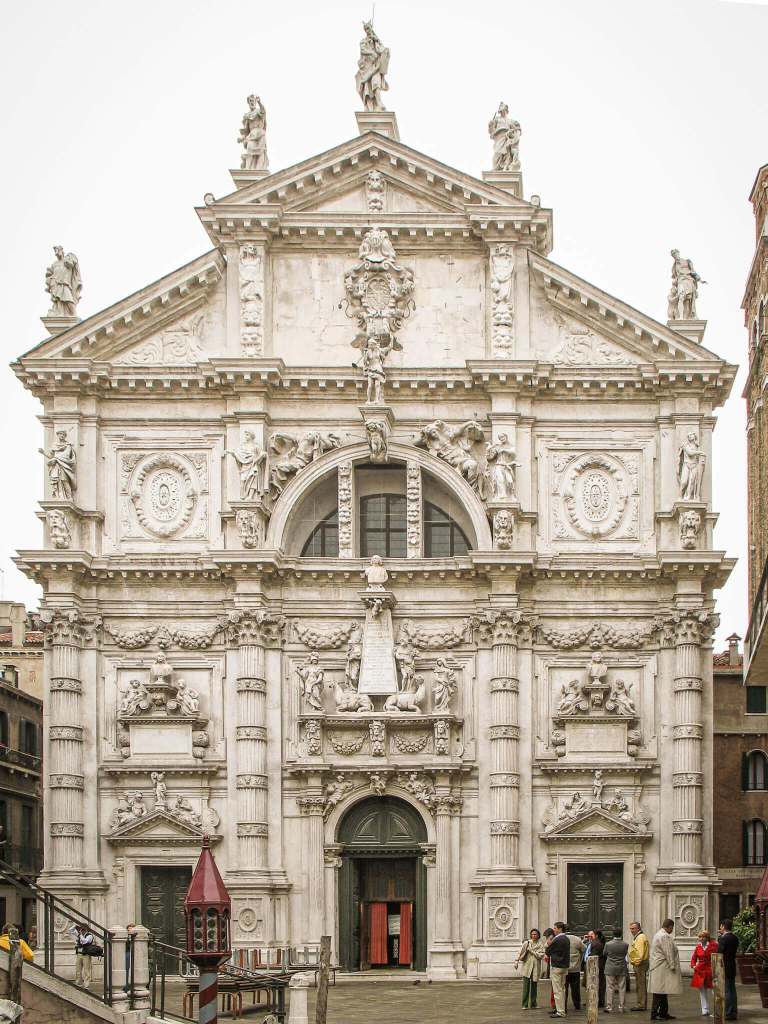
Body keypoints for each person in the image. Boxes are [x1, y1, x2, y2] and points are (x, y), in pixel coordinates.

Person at [648, 919, 681, 1021]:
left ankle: (663, 1012)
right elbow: (668, 951)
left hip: (659, 967)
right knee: (659, 991)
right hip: (662, 967)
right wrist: (672, 965)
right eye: (672, 928)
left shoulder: (658, 934)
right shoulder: (664, 936)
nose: (672, 929)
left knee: (662, 991)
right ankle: (655, 1014)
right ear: (670, 926)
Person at [516, 927, 546, 1009]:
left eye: (535, 934)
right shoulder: (527, 943)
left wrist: (532, 951)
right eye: (532, 934)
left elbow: (541, 955)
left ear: (538, 935)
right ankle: (524, 1004)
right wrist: (516, 962)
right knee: (526, 987)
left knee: (534, 986)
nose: (533, 935)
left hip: (536, 967)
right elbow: (520, 952)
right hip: (527, 967)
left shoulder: (540, 944)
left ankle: (533, 1003)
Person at [690, 930, 718, 1016]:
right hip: (700, 971)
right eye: (700, 937)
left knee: (714, 990)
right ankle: (704, 1009)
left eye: (703, 937)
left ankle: (717, 1010)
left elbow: (719, 956)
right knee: (702, 990)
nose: (701, 938)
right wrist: (693, 966)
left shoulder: (714, 945)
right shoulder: (698, 947)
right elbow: (693, 958)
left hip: (711, 970)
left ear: (707, 937)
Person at [548, 921, 571, 1018]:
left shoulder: (557, 939)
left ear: (560, 929)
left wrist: (549, 942)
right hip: (564, 966)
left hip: (557, 966)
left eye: (555, 928)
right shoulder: (566, 939)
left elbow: (548, 951)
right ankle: (561, 1009)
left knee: (557, 990)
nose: (554, 930)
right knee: (562, 989)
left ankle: (560, 1011)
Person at [604, 928, 630, 1013]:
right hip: (621, 967)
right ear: (621, 934)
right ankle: (622, 1006)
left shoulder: (608, 944)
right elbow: (625, 953)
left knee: (610, 987)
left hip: (610, 967)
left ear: (613, 934)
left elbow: (604, 953)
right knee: (622, 987)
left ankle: (609, 1006)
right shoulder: (625, 944)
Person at [717, 919, 738, 1020]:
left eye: (721, 926)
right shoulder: (734, 937)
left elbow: (719, 952)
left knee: (727, 990)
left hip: (724, 965)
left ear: (723, 926)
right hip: (732, 965)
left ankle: (729, 1012)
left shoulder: (723, 939)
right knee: (732, 989)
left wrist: (720, 938)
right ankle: (734, 1010)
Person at [628, 920, 650, 1012]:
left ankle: (641, 1004)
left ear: (638, 928)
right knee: (640, 984)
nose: (631, 930)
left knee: (640, 985)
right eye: (630, 929)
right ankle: (641, 1003)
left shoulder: (640, 938)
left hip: (640, 964)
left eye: (633, 928)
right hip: (640, 963)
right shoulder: (639, 937)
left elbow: (640, 953)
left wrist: (635, 962)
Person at [68, 923, 96, 988]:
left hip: (86, 955)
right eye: (81, 929)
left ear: (86, 929)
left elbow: (85, 941)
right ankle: (78, 982)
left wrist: (80, 935)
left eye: (83, 929)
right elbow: (70, 930)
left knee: (86, 970)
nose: (82, 930)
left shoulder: (89, 936)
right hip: (79, 954)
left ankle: (86, 984)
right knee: (78, 969)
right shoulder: (79, 934)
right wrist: (75, 925)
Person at [565, 926, 585, 1010]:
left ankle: (563, 1005)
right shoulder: (577, 939)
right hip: (575, 968)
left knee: (563, 988)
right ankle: (577, 1005)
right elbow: (584, 949)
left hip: (564, 968)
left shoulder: (560, 939)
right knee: (575, 989)